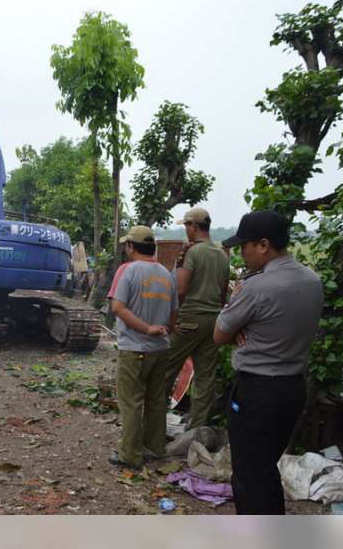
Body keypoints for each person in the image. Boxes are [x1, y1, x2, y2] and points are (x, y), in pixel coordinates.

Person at [213, 210, 323, 515]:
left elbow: (220, 334)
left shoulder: (255, 287)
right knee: (265, 467)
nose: (241, 253)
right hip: (292, 388)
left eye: (244, 246)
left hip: (257, 392)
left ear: (263, 245)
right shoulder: (312, 281)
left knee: (249, 474)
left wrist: (236, 301)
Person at [108, 225, 178, 469]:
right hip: (161, 349)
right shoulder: (167, 274)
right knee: (157, 400)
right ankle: (156, 448)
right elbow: (174, 313)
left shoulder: (128, 271)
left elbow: (117, 307)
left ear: (130, 246)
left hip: (134, 349)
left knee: (131, 402)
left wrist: (146, 328)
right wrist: (161, 331)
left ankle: (130, 455)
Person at [163, 207, 230, 429]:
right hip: (213, 322)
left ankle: (153, 424)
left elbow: (180, 290)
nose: (185, 231)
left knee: (165, 370)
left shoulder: (191, 252)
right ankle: (196, 430)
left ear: (194, 226)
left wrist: (174, 321)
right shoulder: (222, 254)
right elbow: (222, 294)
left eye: (186, 226)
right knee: (205, 376)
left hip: (189, 319)